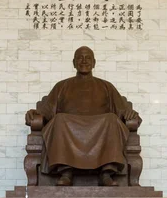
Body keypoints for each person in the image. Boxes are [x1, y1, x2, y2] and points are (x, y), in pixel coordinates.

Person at [25, 46, 141, 186]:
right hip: (68, 126)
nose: (84, 61)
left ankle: (106, 173)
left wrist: (130, 114)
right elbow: (47, 110)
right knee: (59, 119)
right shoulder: (61, 86)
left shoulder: (106, 86)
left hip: (101, 127)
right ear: (74, 63)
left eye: (88, 58)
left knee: (111, 119)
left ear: (94, 63)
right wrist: (36, 113)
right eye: (80, 58)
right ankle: (66, 172)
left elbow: (121, 110)